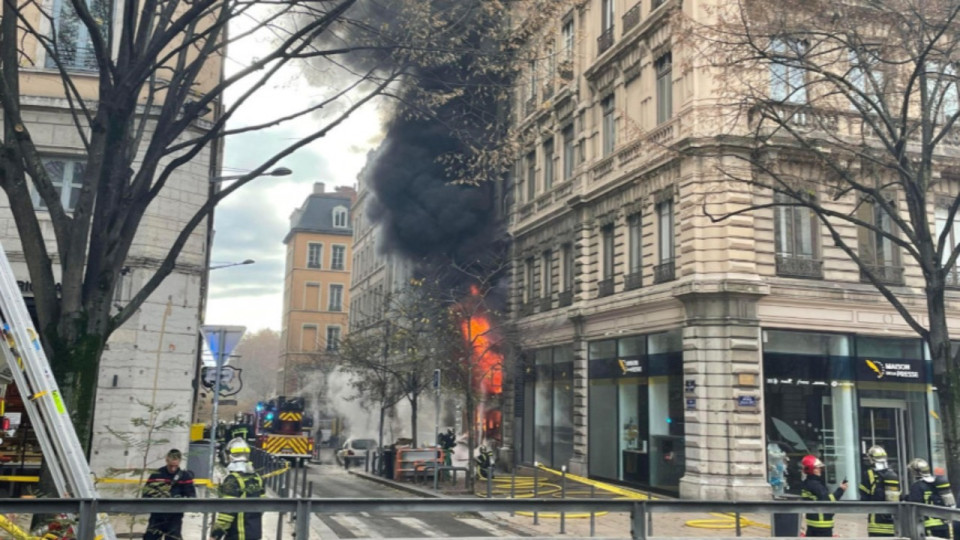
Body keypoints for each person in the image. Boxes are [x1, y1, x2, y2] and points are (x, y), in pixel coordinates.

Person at [210, 437, 265, 540]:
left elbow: (227, 513)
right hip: (255, 533)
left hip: (238, 534)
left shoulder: (232, 480)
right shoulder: (257, 478)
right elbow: (262, 506)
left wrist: (215, 535)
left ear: (229, 456)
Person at [142, 448, 196, 540]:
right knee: (150, 537)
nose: (173, 468)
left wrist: (180, 499)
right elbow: (146, 493)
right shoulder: (156, 474)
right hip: (157, 515)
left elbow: (192, 496)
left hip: (175, 516)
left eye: (175, 466)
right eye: (171, 465)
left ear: (179, 462)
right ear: (166, 460)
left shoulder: (184, 476)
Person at [903, 458, 955, 539]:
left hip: (928, 525)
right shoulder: (937, 484)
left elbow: (914, 505)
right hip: (943, 524)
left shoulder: (917, 486)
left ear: (915, 472)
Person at [800, 454, 848, 537]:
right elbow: (829, 500)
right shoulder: (815, 485)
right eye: (818, 468)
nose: (820, 470)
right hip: (822, 524)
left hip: (812, 523)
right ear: (811, 469)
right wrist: (841, 490)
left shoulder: (807, 483)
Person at [859, 445, 900, 537]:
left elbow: (864, 495)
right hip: (893, 522)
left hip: (876, 521)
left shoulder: (869, 474)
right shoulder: (892, 474)